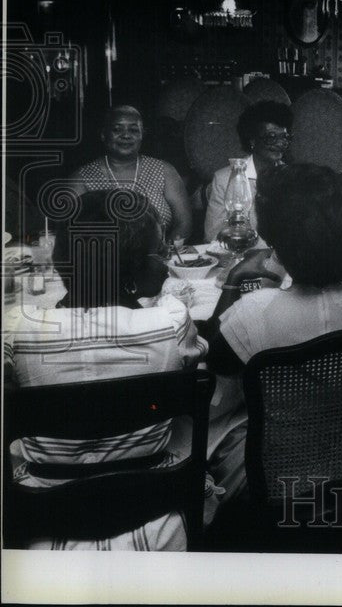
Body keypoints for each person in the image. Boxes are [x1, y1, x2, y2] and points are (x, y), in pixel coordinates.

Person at [4, 189, 208, 550]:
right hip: (154, 517)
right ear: (147, 267)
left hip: (46, 519)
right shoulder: (170, 320)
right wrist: (149, 288)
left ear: (61, 257)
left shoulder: (18, 327)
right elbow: (196, 355)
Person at [201, 163, 342, 501]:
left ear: (278, 244)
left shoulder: (253, 313)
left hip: (277, 478)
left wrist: (235, 280)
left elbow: (213, 394)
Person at [70, 105, 192, 243]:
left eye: (134, 130)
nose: (126, 135)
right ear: (103, 135)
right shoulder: (82, 177)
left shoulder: (165, 170)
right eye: (117, 129)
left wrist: (164, 253)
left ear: (142, 135)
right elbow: (69, 230)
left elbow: (184, 223)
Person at [203, 100, 293, 244]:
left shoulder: (293, 178)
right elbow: (213, 235)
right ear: (252, 141)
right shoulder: (224, 179)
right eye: (271, 137)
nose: (280, 143)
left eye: (284, 137)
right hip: (240, 258)